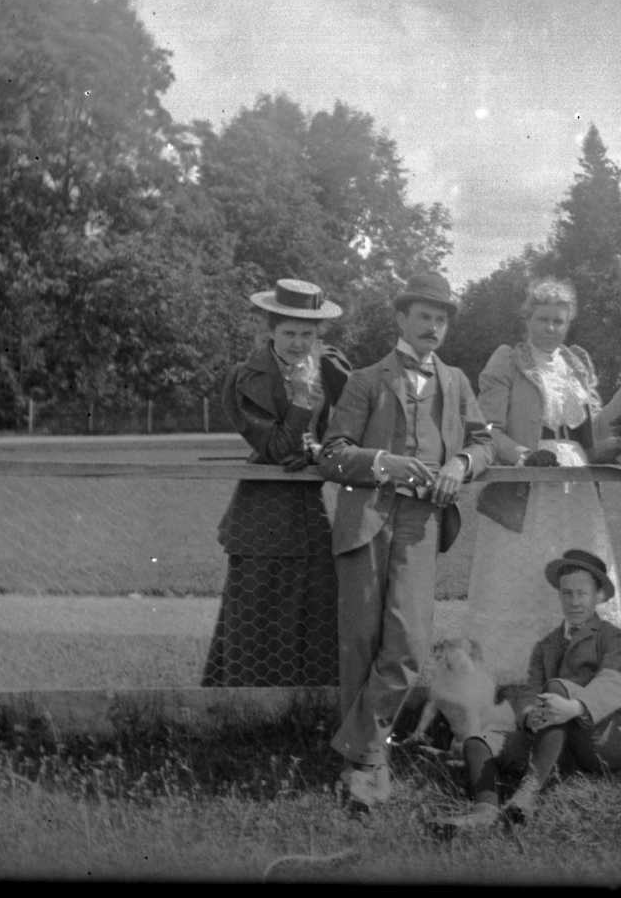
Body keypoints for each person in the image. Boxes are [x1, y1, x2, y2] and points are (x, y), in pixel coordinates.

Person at [315, 272, 494, 809]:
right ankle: (368, 768)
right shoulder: (367, 379)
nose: (433, 327)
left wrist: (461, 463)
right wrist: (382, 461)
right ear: (401, 319)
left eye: (441, 319)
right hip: (365, 520)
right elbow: (331, 452)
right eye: (424, 316)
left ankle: (361, 751)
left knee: (410, 646)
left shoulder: (457, 381)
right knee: (361, 645)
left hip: (423, 525)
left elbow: (484, 441)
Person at [462, 276, 621, 683]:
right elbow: (486, 429)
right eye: (543, 319)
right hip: (526, 482)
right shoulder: (507, 360)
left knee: (576, 570)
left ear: (569, 324)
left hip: (576, 483)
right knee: (524, 577)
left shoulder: (576, 363)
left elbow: (591, 433)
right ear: (527, 319)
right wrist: (525, 456)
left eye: (559, 321)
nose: (551, 328)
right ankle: (508, 680)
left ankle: (583, 678)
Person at [433, 549, 621, 833]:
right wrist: (527, 716)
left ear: (598, 595)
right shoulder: (546, 645)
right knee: (478, 742)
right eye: (567, 593)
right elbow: (530, 691)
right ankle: (484, 809)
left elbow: (616, 682)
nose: (574, 602)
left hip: (605, 738)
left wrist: (576, 708)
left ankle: (528, 794)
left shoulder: (611, 637)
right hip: (554, 743)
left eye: (582, 594)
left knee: (555, 689)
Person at [203, 278, 350, 688]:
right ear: (271, 330)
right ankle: (247, 708)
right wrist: (304, 400)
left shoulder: (332, 366)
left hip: (309, 506)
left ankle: (309, 707)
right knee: (257, 605)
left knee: (318, 600)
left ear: (319, 334)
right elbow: (275, 449)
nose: (298, 343)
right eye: (288, 333)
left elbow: (355, 420)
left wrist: (326, 446)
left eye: (307, 334)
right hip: (263, 508)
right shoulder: (245, 378)